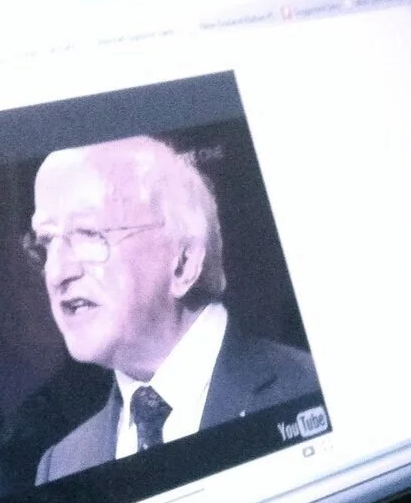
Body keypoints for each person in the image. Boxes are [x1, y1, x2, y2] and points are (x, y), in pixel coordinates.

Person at [27, 135, 319, 484]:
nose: (58, 272)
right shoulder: (61, 466)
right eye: (46, 243)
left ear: (183, 262)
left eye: (89, 234)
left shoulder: (314, 387)